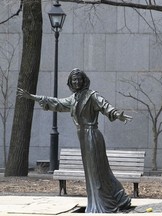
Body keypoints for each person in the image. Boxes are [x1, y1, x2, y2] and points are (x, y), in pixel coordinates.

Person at [18, 68, 132, 213]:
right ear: (70, 82)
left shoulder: (92, 95)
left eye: (79, 79)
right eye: (74, 79)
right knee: (94, 173)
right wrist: (33, 97)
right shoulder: (73, 99)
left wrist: (117, 114)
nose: (76, 82)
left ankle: (104, 205)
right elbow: (57, 103)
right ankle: (118, 199)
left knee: (97, 172)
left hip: (92, 135)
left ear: (84, 80)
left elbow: (105, 106)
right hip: (83, 137)